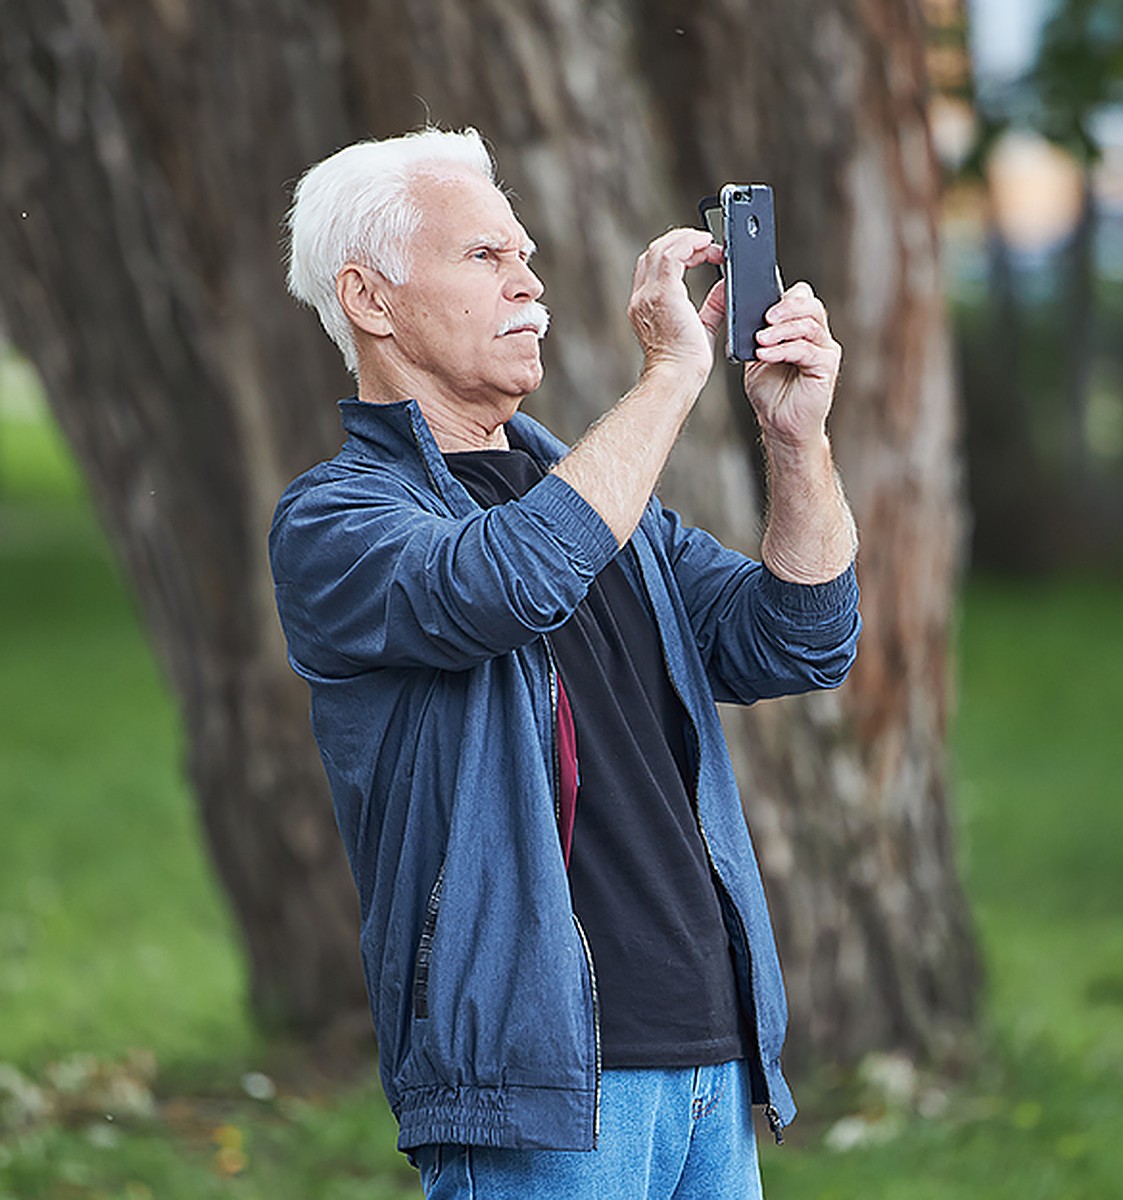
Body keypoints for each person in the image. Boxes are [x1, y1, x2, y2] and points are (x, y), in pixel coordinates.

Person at [270, 126, 860, 1200]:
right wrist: (677, 375)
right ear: (369, 298)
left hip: (710, 1064)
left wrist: (796, 442)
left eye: (527, 256)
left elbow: (802, 639)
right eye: (485, 258)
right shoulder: (338, 521)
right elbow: (505, 583)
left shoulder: (602, 507)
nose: (529, 282)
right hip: (538, 1087)